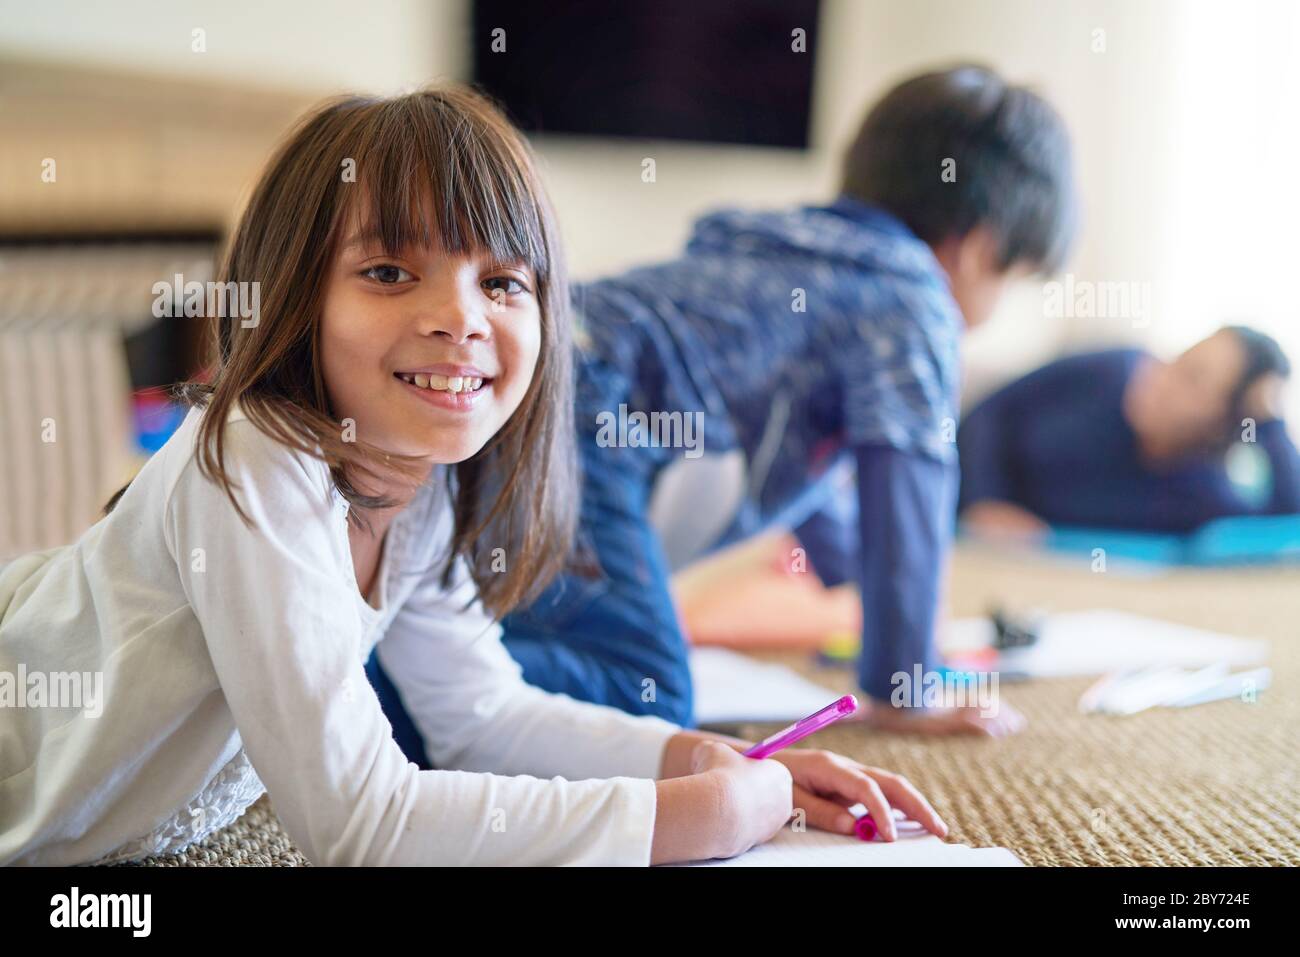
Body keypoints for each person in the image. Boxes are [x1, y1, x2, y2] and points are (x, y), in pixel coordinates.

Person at [0, 87, 949, 866]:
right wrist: (698, 818)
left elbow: (482, 712)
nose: (460, 317)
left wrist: (699, 756)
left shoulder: (421, 483)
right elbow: (359, 827)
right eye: (386, 272)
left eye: (502, 282)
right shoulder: (255, 455)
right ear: (295, 296)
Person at [368, 64, 1078, 752]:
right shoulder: (912, 297)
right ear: (980, 250)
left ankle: (416, 652)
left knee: (545, 629)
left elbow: (811, 467)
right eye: (1009, 281)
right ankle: (373, 692)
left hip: (516, 384)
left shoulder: (788, 253)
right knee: (646, 688)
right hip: (585, 415)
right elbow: (910, 487)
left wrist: (846, 578)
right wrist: (906, 681)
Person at [958, 326, 1299, 537]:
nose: (1164, 377)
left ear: (1221, 425)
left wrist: (1271, 423)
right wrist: (986, 500)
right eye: (1180, 357)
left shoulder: (1200, 497)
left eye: (1193, 378)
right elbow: (990, 412)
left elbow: (1285, 524)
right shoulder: (1111, 370)